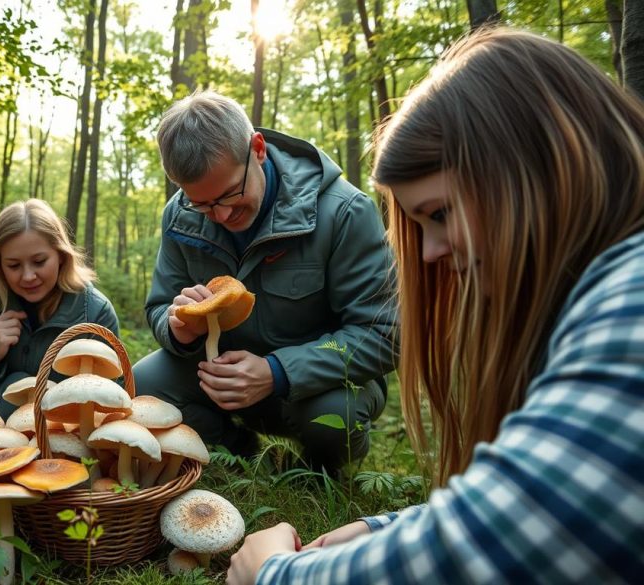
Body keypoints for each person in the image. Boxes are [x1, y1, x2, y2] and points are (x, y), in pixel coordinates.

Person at [228, 27, 644, 584]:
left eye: (441, 214)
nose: (430, 254)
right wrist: (385, 530)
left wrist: (274, 575)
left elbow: (506, 546)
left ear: (535, 171)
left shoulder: (629, 299)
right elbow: (557, 495)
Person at [131, 90, 397, 474]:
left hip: (312, 387)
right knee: (143, 385)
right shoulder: (179, 216)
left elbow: (385, 333)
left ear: (257, 149)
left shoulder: (343, 212)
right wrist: (177, 328)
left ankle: (316, 473)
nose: (220, 215)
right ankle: (240, 455)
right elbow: (158, 306)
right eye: (202, 204)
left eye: (229, 195)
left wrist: (277, 371)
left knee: (336, 414)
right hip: (222, 378)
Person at [0, 199, 120, 419]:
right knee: (18, 381)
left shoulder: (95, 312)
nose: (28, 276)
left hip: (66, 435)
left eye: (39, 261)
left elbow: (114, 398)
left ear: (61, 255)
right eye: (13, 265)